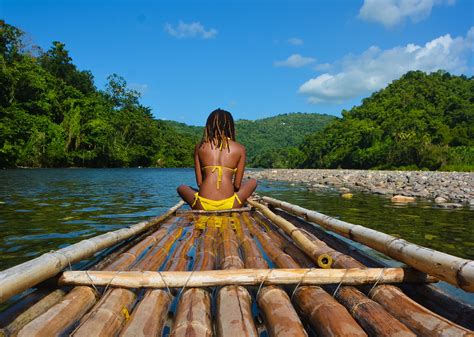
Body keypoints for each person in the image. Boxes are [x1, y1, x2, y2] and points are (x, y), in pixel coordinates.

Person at [177, 108, 257, 210]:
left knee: (181, 188)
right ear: (230, 126)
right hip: (231, 204)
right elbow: (237, 186)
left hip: (202, 205)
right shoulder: (240, 148)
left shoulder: (200, 147)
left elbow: (200, 184)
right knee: (253, 182)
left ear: (209, 126)